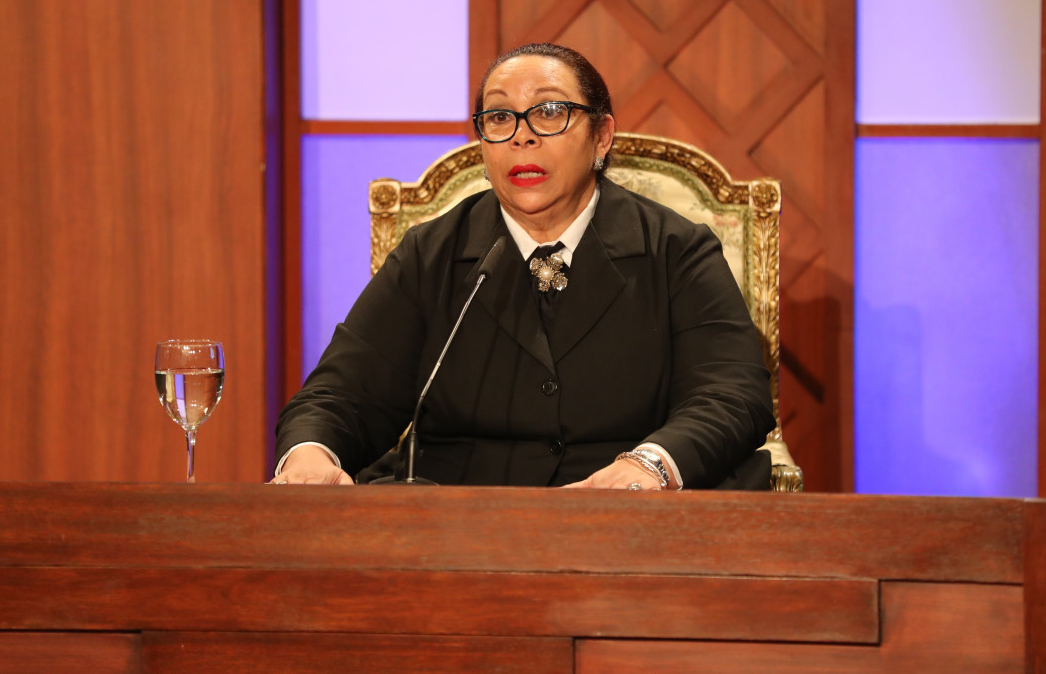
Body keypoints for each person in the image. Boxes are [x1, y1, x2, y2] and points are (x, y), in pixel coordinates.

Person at [272, 43, 776, 490]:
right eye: (499, 117)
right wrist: (311, 454)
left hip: (625, 511)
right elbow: (342, 393)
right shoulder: (431, 253)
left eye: (550, 111)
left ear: (602, 137)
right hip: (456, 515)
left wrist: (650, 465)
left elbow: (732, 393)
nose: (522, 137)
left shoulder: (675, 249)